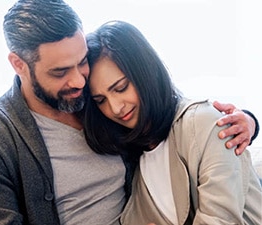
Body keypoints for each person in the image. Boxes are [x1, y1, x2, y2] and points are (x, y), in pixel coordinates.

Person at [0, 0, 259, 224]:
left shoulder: (92, 98)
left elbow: (164, 110)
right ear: (18, 64)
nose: (78, 80)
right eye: (61, 71)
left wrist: (246, 121)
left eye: (81, 62)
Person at [83, 20, 262, 225]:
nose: (115, 108)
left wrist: (250, 121)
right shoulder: (130, 162)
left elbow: (220, 220)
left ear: (146, 73)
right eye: (101, 100)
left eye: (121, 87)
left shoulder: (203, 123)